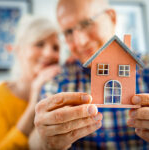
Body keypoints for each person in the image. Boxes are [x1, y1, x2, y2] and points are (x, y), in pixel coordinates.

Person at [31, 0, 149, 149]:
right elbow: (36, 136)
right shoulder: (58, 79)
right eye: (68, 32)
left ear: (111, 18)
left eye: (86, 23)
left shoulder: (145, 67)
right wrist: (44, 141)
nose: (81, 42)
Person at [0, 15, 61, 150]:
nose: (49, 53)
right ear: (19, 50)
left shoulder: (57, 96)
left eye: (55, 48)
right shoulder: (1, 97)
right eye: (39, 44)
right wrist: (34, 103)